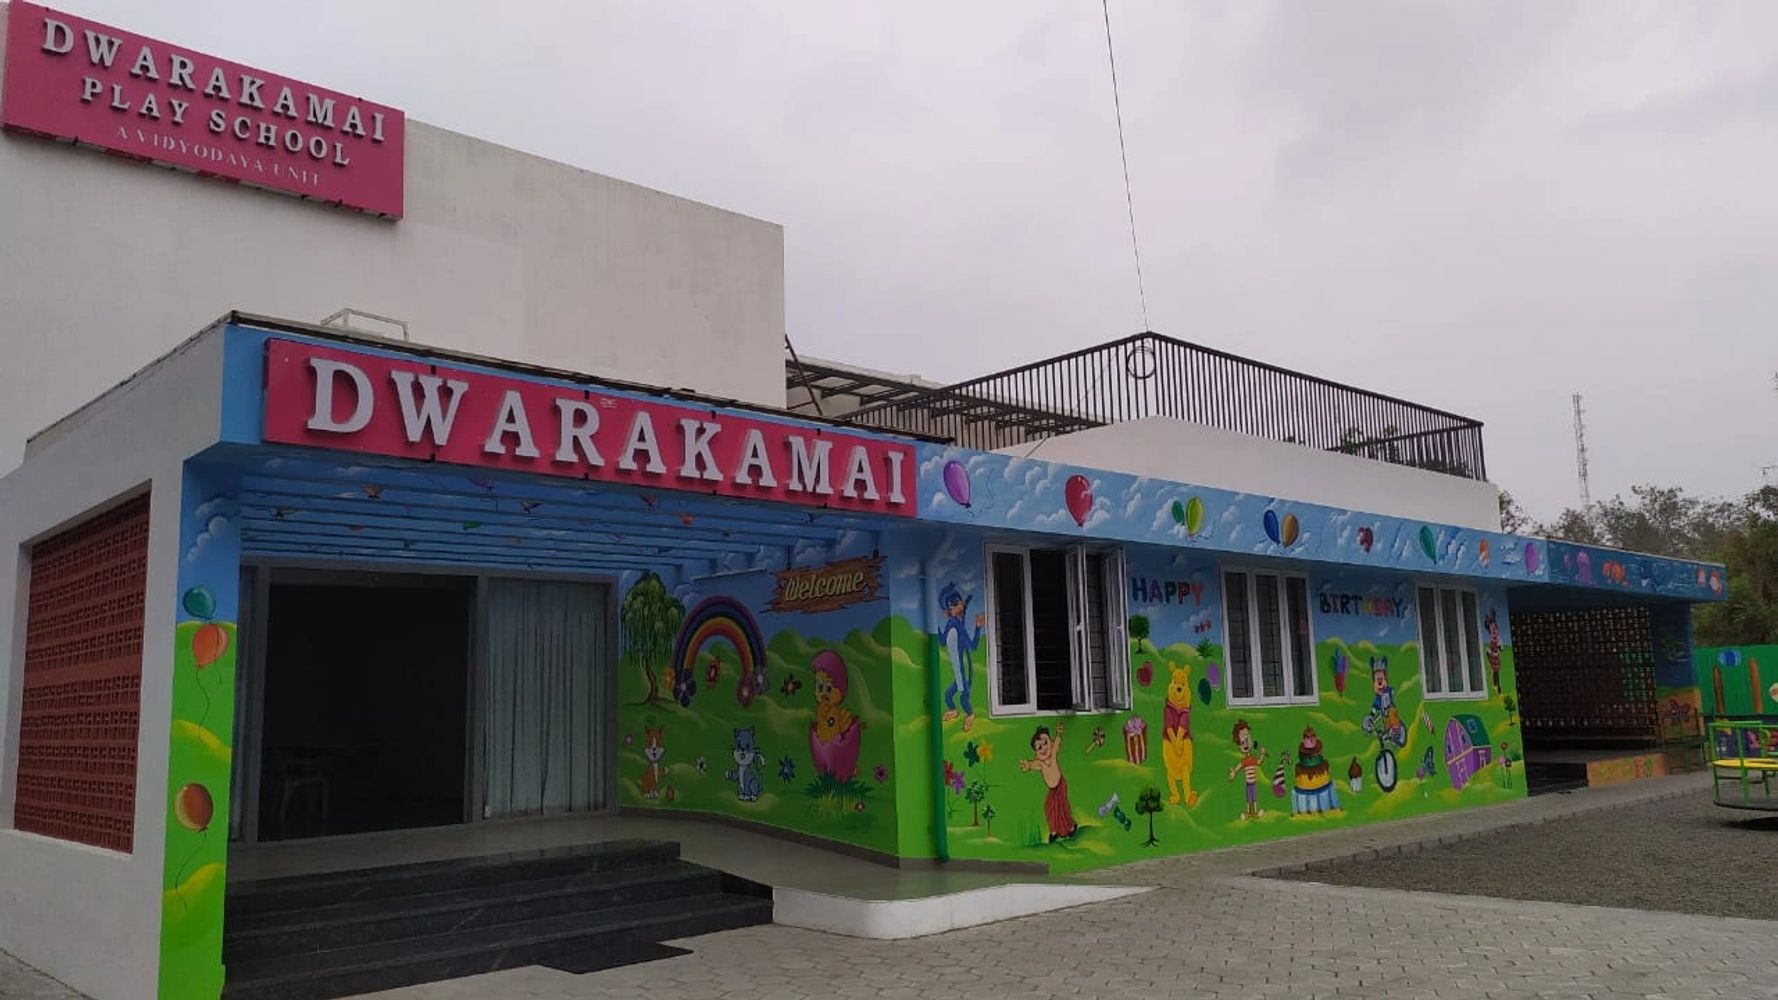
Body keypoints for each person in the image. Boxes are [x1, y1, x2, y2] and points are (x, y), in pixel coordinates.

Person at [937, 583, 985, 731]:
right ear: (949, 609)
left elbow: (973, 646)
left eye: (959, 603)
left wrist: (977, 627)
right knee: (947, 695)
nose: (959, 606)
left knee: (964, 698)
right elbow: (942, 641)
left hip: (963, 669)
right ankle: (953, 710)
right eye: (954, 604)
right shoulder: (952, 623)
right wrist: (935, 627)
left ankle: (970, 715)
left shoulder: (959, 627)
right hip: (956, 669)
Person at [1020, 722, 1077, 841]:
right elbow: (1034, 764)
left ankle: (1070, 827)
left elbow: (1057, 743)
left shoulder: (1053, 755)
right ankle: (1054, 830)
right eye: (1039, 748)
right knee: (1049, 807)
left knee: (1062, 806)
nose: (1044, 748)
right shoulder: (1040, 763)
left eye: (1045, 743)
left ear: (1050, 742)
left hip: (1060, 785)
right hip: (1052, 790)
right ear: (1036, 753)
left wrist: (1059, 734)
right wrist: (1028, 765)